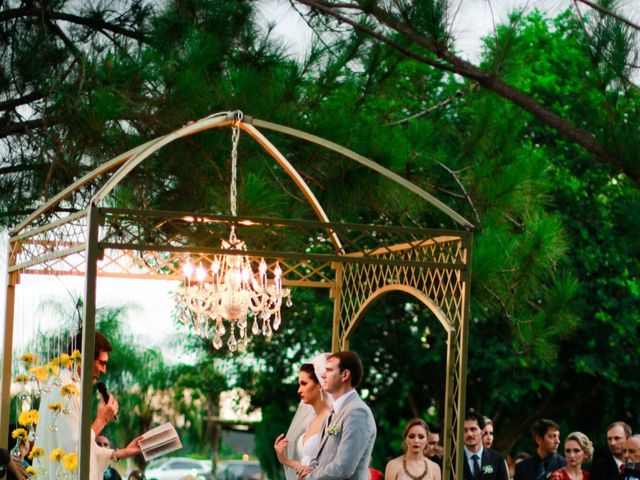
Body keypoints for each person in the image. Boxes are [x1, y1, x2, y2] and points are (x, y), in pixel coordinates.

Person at [35, 330, 142, 480]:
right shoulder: (68, 390)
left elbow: (82, 447)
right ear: (83, 359)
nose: (104, 370)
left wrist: (120, 453)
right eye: (102, 363)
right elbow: (75, 451)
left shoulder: (57, 382)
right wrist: (102, 420)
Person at [298, 351, 376, 480]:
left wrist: (310, 477)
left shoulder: (357, 413)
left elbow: (343, 468)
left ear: (345, 375)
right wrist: (308, 469)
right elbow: (317, 458)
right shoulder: (333, 412)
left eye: (328, 370)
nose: (322, 375)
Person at [274, 354, 332, 480]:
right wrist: (285, 460)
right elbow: (305, 465)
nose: (299, 390)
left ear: (320, 384)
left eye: (304, 384)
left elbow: (334, 464)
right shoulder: (310, 421)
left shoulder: (332, 419)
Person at [462, 411, 508, 480]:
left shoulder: (498, 459)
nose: (469, 434)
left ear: (482, 431)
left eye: (473, 429)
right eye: (465, 430)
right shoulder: (451, 460)